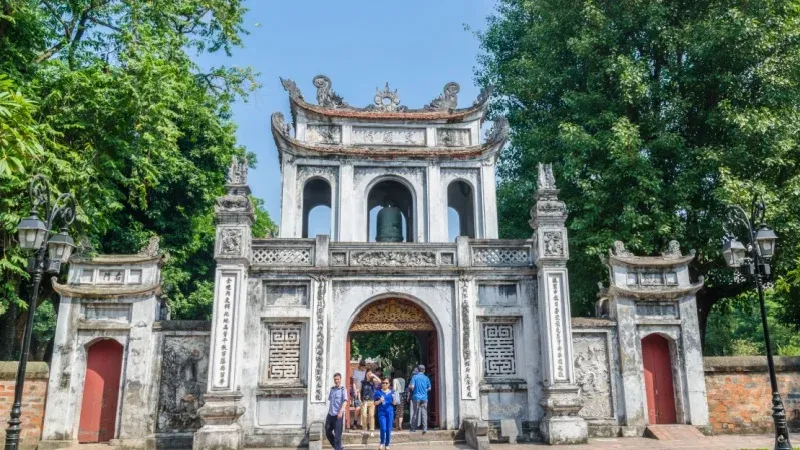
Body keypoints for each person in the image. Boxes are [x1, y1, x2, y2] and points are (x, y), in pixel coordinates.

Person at [325, 373, 348, 450]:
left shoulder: (343, 390)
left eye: (338, 379)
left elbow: (345, 401)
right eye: (335, 379)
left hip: (338, 415)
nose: (336, 381)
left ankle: (337, 448)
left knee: (337, 437)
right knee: (327, 432)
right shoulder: (332, 389)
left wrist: (341, 411)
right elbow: (331, 401)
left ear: (340, 379)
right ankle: (338, 448)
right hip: (330, 414)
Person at [374, 377, 396, 450]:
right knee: (383, 428)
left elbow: (395, 403)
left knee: (389, 429)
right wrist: (380, 400)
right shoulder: (378, 392)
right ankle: (381, 443)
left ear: (389, 384)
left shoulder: (392, 392)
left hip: (390, 411)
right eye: (383, 383)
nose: (385, 384)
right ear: (381, 384)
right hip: (382, 412)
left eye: (386, 383)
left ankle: (387, 444)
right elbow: (375, 403)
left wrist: (394, 398)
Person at [408, 364, 431, 433]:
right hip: (424, 398)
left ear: (418, 370)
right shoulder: (426, 378)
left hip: (416, 397)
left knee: (415, 412)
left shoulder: (414, 377)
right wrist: (424, 390)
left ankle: (413, 428)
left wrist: (414, 389)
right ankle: (425, 428)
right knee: (424, 413)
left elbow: (412, 386)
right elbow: (429, 388)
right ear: (424, 370)